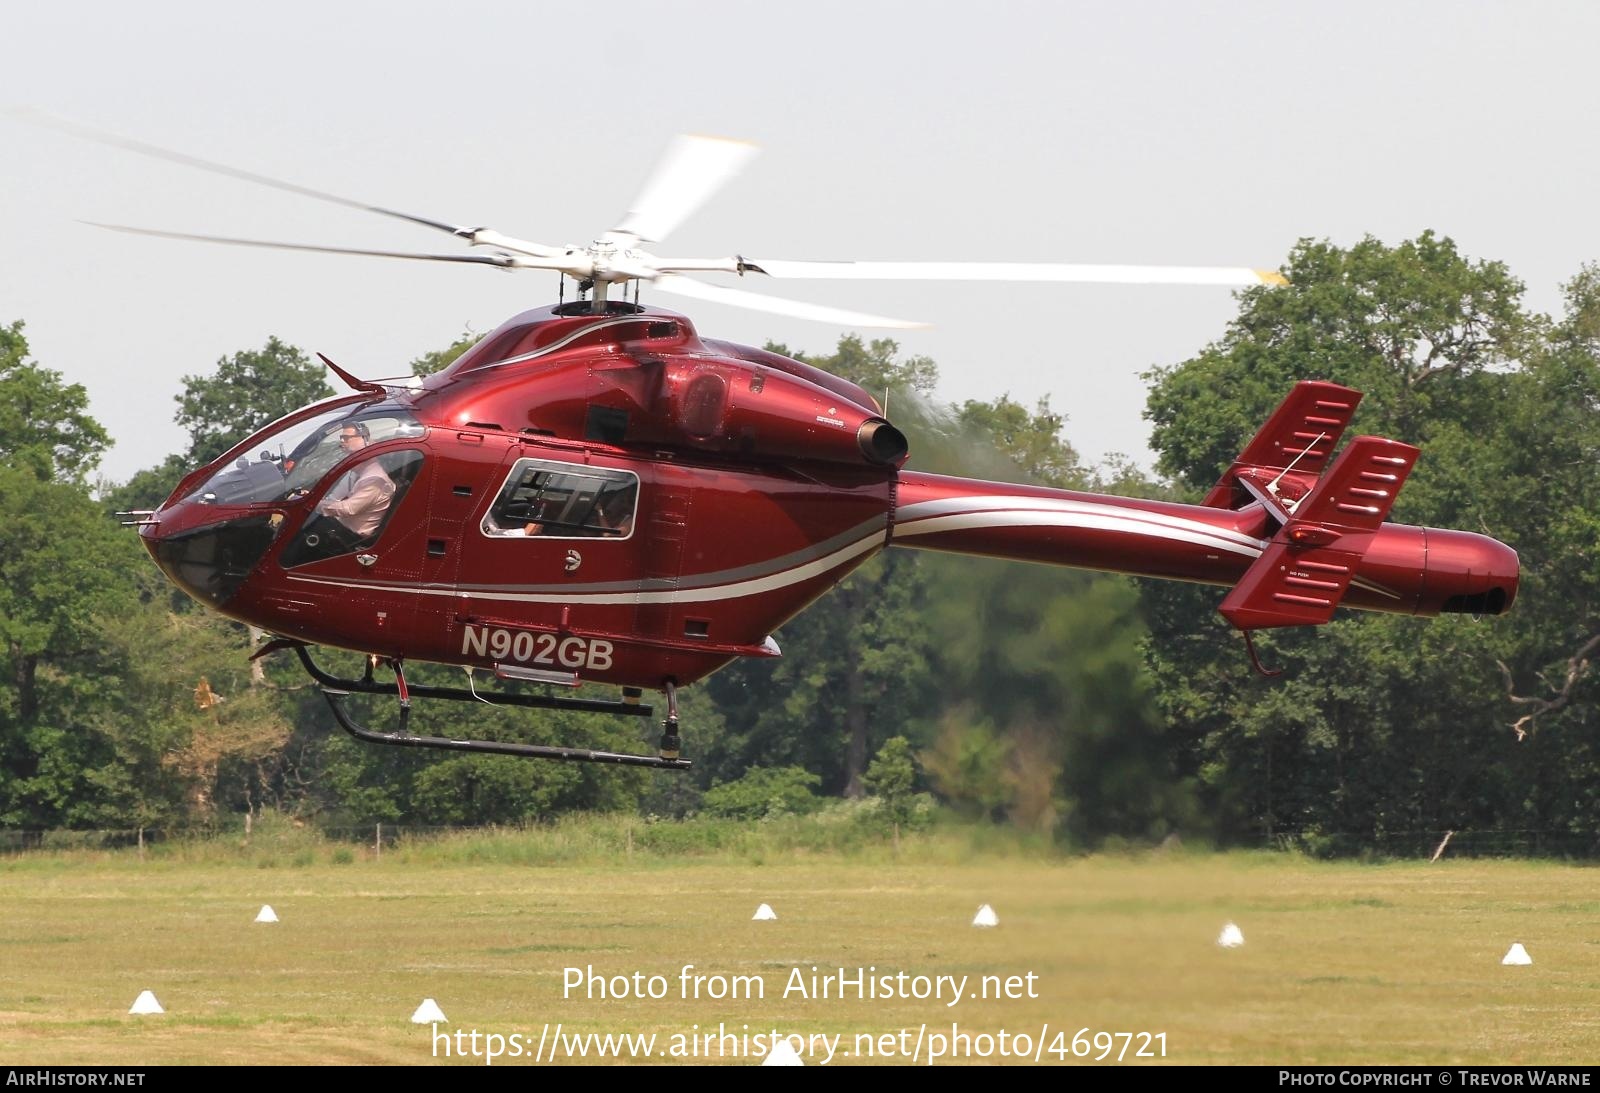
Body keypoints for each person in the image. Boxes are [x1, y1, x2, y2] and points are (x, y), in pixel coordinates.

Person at [315, 422, 395, 541]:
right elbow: (333, 499)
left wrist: (315, 504)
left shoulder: (376, 480)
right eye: (341, 438)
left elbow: (349, 509)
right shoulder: (354, 473)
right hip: (339, 529)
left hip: (352, 540)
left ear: (366, 440)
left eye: (346, 438)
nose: (342, 441)